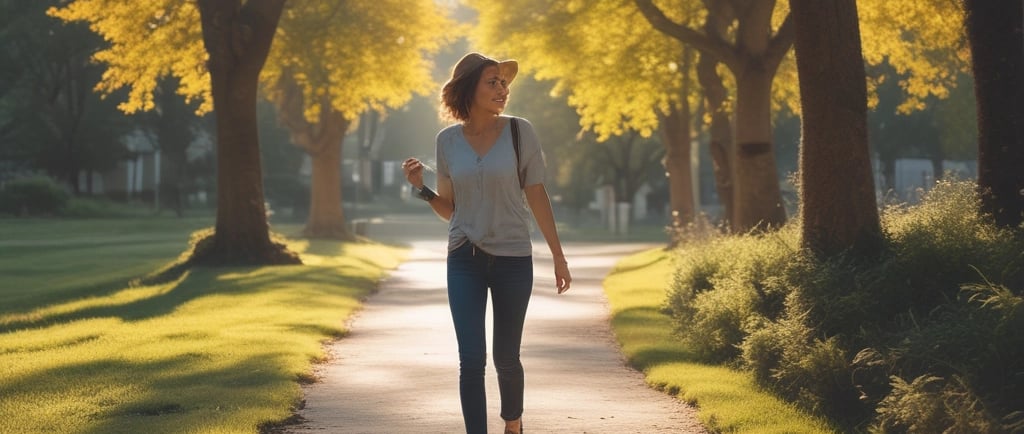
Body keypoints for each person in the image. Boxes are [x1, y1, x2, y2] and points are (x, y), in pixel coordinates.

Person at [401, 52, 572, 434]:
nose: (502, 89)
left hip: (513, 257)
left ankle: (513, 422)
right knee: (471, 358)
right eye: (492, 82)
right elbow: (451, 209)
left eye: (503, 82)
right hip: (464, 257)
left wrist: (558, 256)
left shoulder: (519, 131)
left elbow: (537, 194)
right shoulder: (447, 141)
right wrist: (421, 189)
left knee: (506, 358)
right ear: (469, 88)